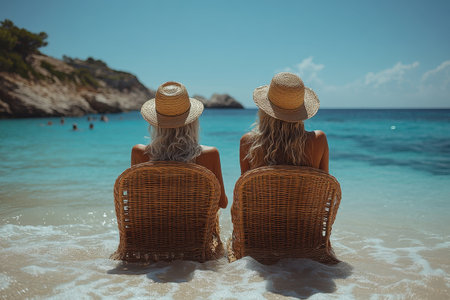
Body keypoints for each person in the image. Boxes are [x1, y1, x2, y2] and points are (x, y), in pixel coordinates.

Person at [131, 81, 228, 209]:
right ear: (192, 121)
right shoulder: (209, 155)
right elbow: (222, 203)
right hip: (197, 228)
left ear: (156, 122)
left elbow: (134, 200)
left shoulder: (139, 153)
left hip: (152, 227)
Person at [240, 72, 329, 174]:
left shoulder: (248, 143)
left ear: (265, 109)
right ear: (300, 112)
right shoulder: (318, 140)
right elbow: (326, 187)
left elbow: (243, 188)